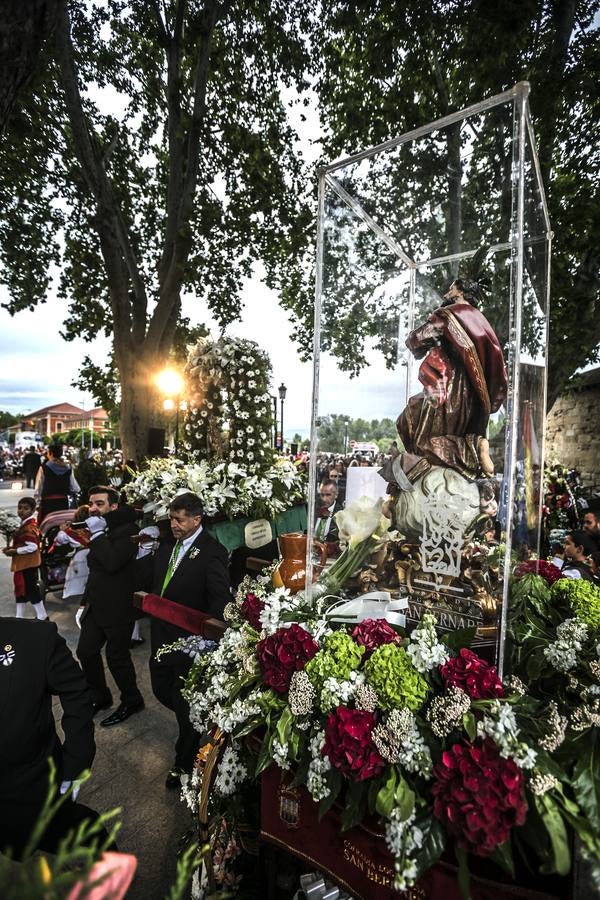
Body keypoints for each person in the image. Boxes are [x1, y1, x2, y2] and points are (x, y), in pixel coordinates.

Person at [139, 492, 230, 788]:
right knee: (162, 690)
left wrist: (209, 638)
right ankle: (193, 725)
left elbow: (219, 600)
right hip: (162, 637)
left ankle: (183, 761)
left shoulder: (212, 551)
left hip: (189, 644)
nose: (174, 524)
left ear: (197, 519)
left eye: (179, 519)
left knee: (184, 704)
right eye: (171, 518)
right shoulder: (168, 546)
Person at [395, 272, 508, 483]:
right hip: (469, 394)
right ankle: (473, 446)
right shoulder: (480, 320)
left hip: (446, 386)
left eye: (452, 288)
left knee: (420, 434)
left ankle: (473, 448)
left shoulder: (449, 314)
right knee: (439, 432)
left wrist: (412, 339)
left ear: (461, 291)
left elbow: (419, 340)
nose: (448, 292)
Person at [0, 616, 98, 858]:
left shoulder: (34, 639)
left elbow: (76, 691)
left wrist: (75, 762)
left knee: (76, 832)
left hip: (33, 788)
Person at [76, 486, 144, 726]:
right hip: (96, 603)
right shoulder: (101, 528)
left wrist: (96, 536)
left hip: (118, 606)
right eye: (91, 503)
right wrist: (84, 601)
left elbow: (113, 562)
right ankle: (100, 696)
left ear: (114, 506)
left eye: (100, 504)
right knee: (85, 651)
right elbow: (95, 569)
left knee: (117, 658)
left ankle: (132, 700)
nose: (93, 508)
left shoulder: (128, 530)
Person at [2, 496, 48, 621]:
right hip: (23, 564)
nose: (21, 511)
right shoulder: (25, 525)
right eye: (20, 508)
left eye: (26, 508)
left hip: (27, 564)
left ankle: (42, 616)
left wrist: (15, 551)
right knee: (21, 589)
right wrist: (12, 548)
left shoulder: (29, 527)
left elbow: (32, 547)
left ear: (33, 511)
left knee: (30, 590)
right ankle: (20, 616)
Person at [35, 443, 80, 524]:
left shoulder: (44, 468)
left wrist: (37, 503)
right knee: (62, 525)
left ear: (51, 453)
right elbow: (75, 488)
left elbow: (39, 487)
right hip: (63, 503)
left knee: (47, 527)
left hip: (48, 503)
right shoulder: (68, 468)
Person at [314, 479, 343, 552]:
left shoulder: (341, 514)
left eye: (328, 495)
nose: (324, 499)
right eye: (322, 495)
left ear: (336, 495)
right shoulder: (314, 510)